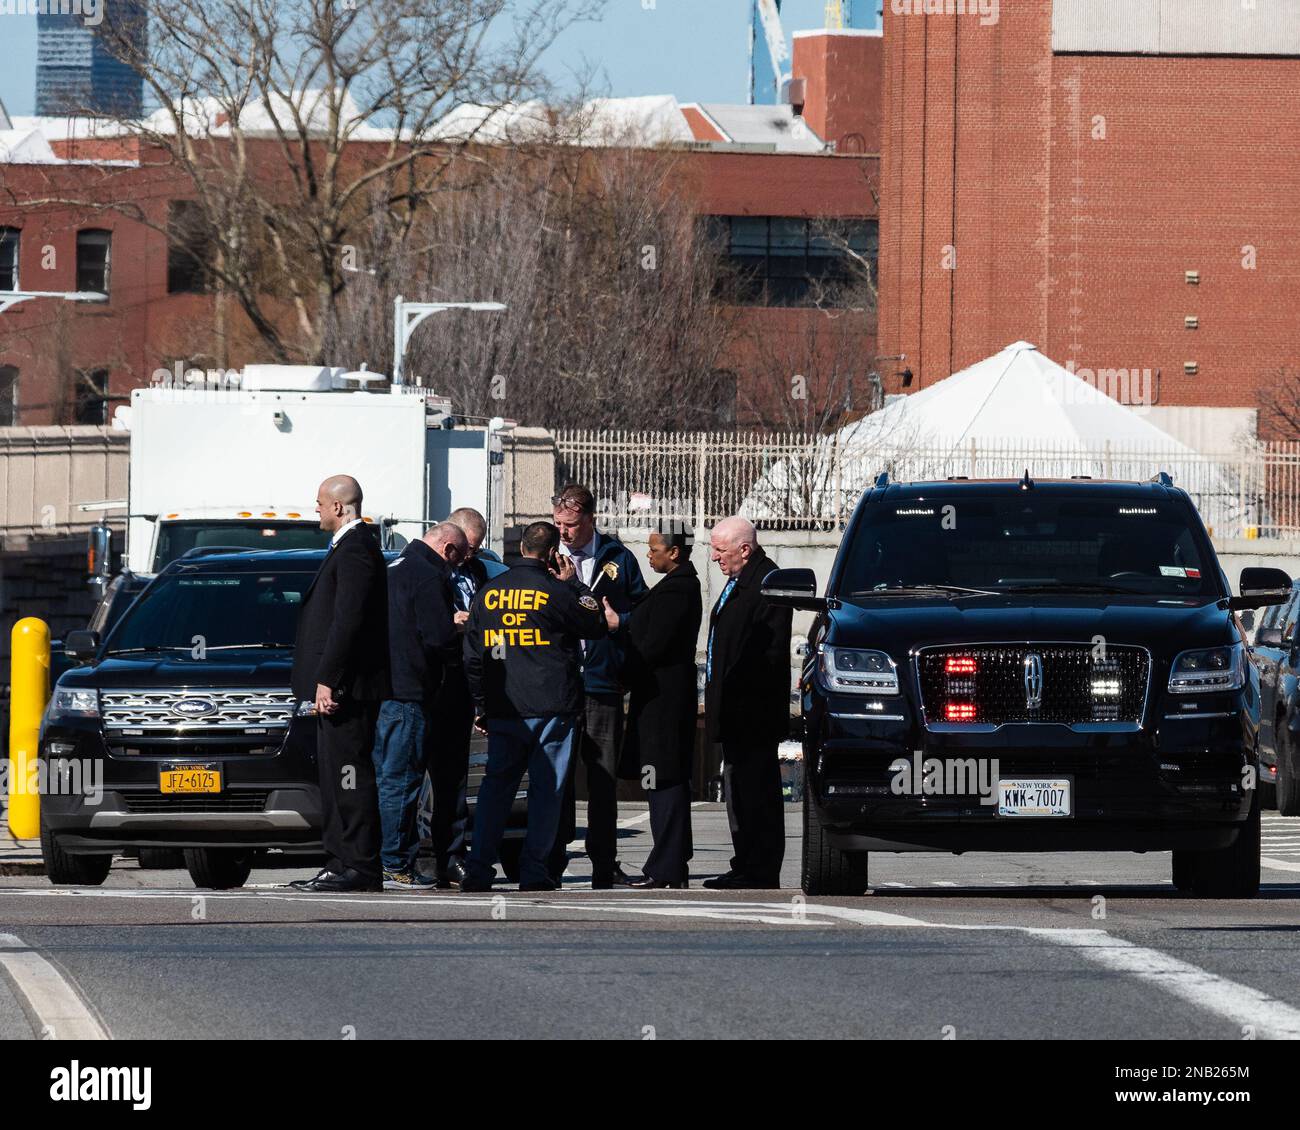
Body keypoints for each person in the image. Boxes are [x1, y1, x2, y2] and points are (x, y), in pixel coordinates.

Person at [460, 521, 608, 892]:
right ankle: (534, 870)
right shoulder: (554, 591)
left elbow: (473, 658)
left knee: (496, 790)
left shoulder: (488, 593)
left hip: (505, 706)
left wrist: (481, 705)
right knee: (546, 791)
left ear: (521, 548)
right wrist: (574, 582)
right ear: (551, 552)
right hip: (551, 706)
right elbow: (595, 623)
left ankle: (478, 869)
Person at [290, 475, 391, 893]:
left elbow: (347, 622)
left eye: (319, 503)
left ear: (338, 507)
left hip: (348, 690)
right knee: (336, 778)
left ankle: (358, 865)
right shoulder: (347, 548)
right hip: (340, 688)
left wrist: (329, 680)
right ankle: (340, 861)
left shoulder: (355, 551)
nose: (315, 509)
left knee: (349, 776)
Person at [548, 484, 648, 888]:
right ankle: (550, 861)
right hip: (559, 687)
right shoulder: (547, 561)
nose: (564, 533)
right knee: (558, 778)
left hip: (603, 684)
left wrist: (623, 648)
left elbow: (642, 612)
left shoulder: (618, 559)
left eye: (571, 525)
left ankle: (604, 864)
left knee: (603, 781)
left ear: (590, 519)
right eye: (558, 524)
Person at [604, 521, 703, 889]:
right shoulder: (674, 588)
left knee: (664, 780)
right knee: (660, 779)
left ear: (674, 552)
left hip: (664, 698)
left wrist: (621, 670)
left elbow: (652, 645)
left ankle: (667, 866)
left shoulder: (678, 590)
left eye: (654, 549)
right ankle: (670, 861)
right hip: (660, 696)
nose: (648, 555)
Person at [372, 522, 466, 890]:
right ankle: (395, 865)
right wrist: (458, 628)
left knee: (387, 779)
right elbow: (438, 638)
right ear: (449, 550)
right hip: (412, 693)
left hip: (386, 691)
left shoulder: (391, 567)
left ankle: (386, 859)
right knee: (402, 781)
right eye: (460, 557)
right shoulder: (428, 576)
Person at [701, 516, 792, 891]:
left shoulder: (768, 582)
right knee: (739, 789)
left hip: (753, 711)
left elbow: (764, 652)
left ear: (744, 549)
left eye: (720, 551)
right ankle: (745, 861)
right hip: (735, 708)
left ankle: (760, 866)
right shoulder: (739, 581)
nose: (714, 558)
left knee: (757, 791)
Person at [425, 507, 509, 887]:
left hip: (463, 683)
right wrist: (450, 620)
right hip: (428, 685)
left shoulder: (477, 573)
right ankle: (416, 855)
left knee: (454, 776)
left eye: (476, 549)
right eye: (467, 548)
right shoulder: (427, 571)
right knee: (414, 777)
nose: (470, 556)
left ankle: (452, 853)